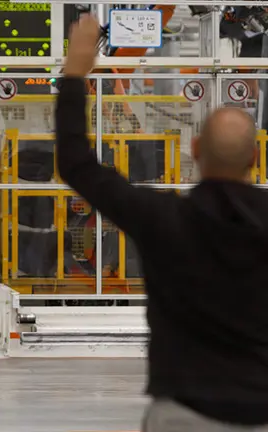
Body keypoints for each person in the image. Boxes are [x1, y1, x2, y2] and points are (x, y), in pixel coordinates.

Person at [57, 14, 268, 431]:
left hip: (181, 415)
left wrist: (75, 73)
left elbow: (76, 163)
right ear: (255, 158)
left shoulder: (163, 218)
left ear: (193, 150)